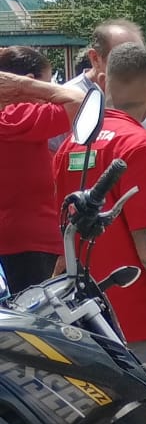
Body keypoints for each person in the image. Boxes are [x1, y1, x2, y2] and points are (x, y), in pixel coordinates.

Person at [53, 43, 146, 363]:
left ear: (103, 82)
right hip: (142, 321)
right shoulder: (141, 145)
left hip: (89, 317)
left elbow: (65, 232)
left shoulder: (72, 144)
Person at [0, 47, 83, 293]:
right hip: (29, 244)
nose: (49, 96)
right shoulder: (15, 116)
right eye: (47, 84)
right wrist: (26, 87)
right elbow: (80, 102)